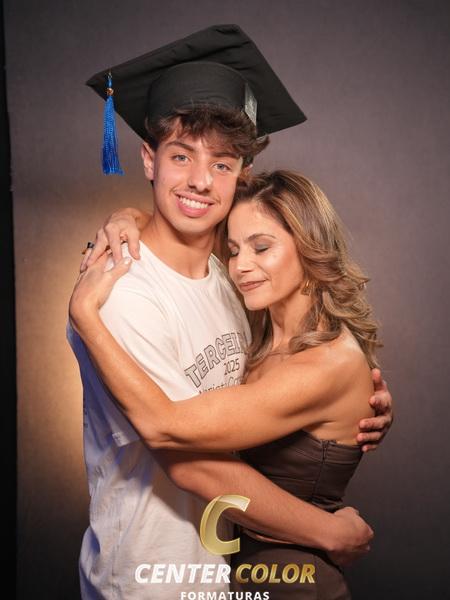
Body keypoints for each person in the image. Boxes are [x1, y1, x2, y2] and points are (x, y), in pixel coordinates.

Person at [69, 24, 393, 599]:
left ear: (241, 173)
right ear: (148, 160)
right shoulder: (121, 292)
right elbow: (189, 461)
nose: (200, 180)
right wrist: (328, 531)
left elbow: (274, 388)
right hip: (150, 579)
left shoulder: (231, 279)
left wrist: (349, 404)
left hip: (223, 571)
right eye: (180, 156)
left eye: (221, 164)